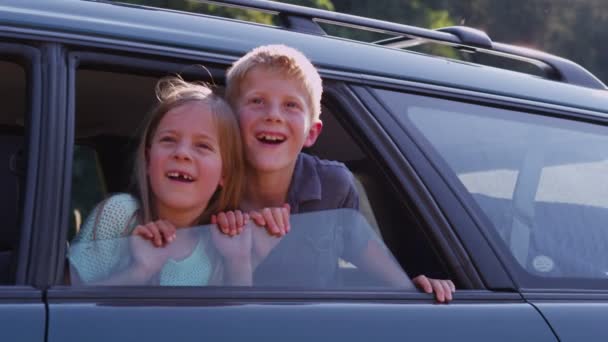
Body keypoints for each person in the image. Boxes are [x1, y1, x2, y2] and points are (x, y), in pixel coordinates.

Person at [223, 44, 456, 301]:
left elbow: (385, 271)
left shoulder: (332, 186)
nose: (273, 115)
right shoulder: (212, 184)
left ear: (311, 133)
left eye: (291, 105)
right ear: (230, 122)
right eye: (257, 101)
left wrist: (417, 290)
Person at [67, 76, 252, 286]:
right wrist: (139, 272)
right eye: (168, 140)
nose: (181, 153)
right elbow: (59, 310)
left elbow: (235, 318)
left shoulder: (217, 246)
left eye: (202, 146)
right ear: (147, 160)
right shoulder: (121, 216)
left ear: (225, 174)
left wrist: (238, 262)